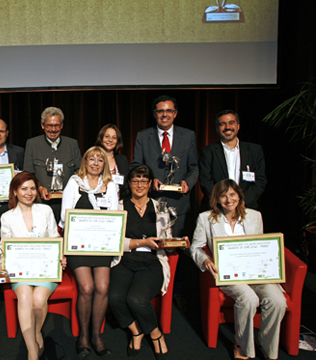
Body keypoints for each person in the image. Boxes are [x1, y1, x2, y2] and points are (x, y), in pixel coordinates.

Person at [190, 179, 286, 360]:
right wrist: (206, 260)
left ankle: (267, 346)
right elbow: (195, 248)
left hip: (255, 273)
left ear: (239, 196)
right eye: (223, 195)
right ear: (217, 199)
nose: (228, 199)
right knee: (248, 298)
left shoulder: (255, 216)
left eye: (232, 194)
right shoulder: (206, 218)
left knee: (278, 300)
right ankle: (242, 345)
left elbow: (260, 246)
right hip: (228, 274)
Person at [109, 165, 189, 359]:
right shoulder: (118, 206)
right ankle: (137, 330)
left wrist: (177, 244)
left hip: (151, 262)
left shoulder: (160, 208)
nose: (140, 184)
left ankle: (155, 335)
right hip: (124, 261)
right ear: (129, 183)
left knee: (136, 299)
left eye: (144, 180)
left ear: (150, 183)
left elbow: (166, 241)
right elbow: (113, 240)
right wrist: (141, 242)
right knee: (114, 298)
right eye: (135, 180)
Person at [0, 172, 66, 360]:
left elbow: (55, 237)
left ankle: (36, 332)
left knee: (38, 298)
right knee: (25, 296)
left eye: (32, 188)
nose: (29, 193)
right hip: (20, 269)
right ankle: (32, 351)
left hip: (46, 267)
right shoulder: (7, 217)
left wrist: (61, 256)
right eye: (24, 189)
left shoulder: (45, 211)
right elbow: (4, 246)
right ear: (15, 191)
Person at [59, 146, 118, 357]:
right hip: (78, 244)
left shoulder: (110, 186)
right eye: (91, 159)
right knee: (87, 286)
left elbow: (114, 216)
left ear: (105, 164)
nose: (95, 163)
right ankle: (83, 336)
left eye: (99, 160)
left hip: (101, 245)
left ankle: (97, 335)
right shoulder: (74, 183)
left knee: (103, 287)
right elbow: (66, 218)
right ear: (85, 162)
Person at [130, 95, 198, 237]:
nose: (165, 114)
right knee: (154, 245)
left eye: (168, 111)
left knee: (176, 247)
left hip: (179, 203)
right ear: (155, 114)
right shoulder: (143, 136)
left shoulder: (188, 135)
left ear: (175, 113)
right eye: (160, 111)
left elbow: (193, 167)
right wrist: (150, 179)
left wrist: (188, 183)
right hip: (151, 201)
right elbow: (136, 166)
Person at [23, 106, 82, 222]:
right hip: (41, 203)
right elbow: (28, 173)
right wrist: (39, 187)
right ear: (43, 125)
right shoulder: (32, 144)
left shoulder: (72, 144)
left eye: (56, 125)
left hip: (67, 203)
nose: (53, 129)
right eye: (49, 125)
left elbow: (80, 171)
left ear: (61, 126)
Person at [199, 110, 267, 211]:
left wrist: (242, 202)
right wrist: (224, 202)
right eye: (222, 124)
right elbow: (206, 182)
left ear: (238, 126)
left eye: (231, 123)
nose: (227, 127)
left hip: (246, 208)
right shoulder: (208, 152)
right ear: (217, 129)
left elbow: (260, 180)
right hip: (217, 209)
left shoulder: (254, 150)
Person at [95, 123, 129, 195]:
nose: (110, 140)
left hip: (118, 202)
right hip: (97, 201)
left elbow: (126, 185)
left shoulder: (122, 160)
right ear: (101, 138)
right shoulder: (94, 157)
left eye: (114, 138)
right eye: (107, 136)